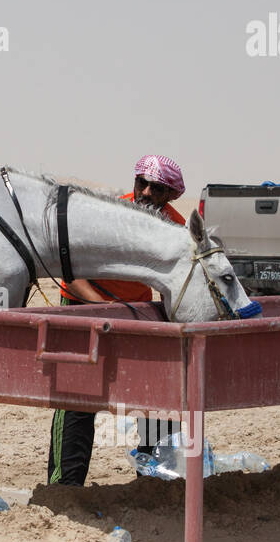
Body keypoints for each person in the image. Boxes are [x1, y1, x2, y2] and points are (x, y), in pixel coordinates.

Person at [47, 155, 188, 486]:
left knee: (158, 397)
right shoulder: (107, 218)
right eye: (143, 183)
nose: (148, 192)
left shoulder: (175, 229)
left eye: (158, 188)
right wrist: (106, 308)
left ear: (170, 195)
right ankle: (65, 487)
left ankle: (155, 480)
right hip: (83, 306)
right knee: (77, 398)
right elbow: (71, 274)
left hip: (136, 315)